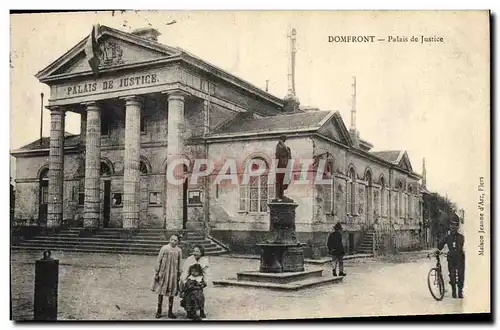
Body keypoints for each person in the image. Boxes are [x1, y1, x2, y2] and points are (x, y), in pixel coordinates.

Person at [151, 234, 182, 319]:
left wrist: (179, 273)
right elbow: (159, 260)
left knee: (171, 292)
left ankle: (170, 311)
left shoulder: (179, 250)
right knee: (161, 291)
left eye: (175, 240)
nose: (173, 241)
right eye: (171, 239)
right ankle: (159, 310)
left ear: (178, 242)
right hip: (163, 272)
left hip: (173, 274)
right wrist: (157, 272)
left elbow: (180, 262)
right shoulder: (164, 248)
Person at [435, 218, 465, 298]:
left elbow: (459, 247)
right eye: (451, 226)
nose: (453, 228)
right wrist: (438, 249)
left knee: (460, 274)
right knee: (452, 275)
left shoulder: (461, 237)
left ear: (457, 227)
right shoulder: (447, 237)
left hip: (459, 258)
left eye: (454, 226)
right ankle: (454, 291)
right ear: (450, 227)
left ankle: (460, 291)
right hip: (451, 258)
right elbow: (440, 245)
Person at [180, 245, 209, 318]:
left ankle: (201, 310)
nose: (195, 253)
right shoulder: (189, 259)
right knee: (188, 298)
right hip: (190, 280)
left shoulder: (204, 260)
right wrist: (184, 282)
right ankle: (189, 311)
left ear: (201, 253)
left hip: (199, 281)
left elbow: (206, 272)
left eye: (197, 251)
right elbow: (185, 272)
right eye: (194, 251)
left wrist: (205, 282)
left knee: (200, 297)